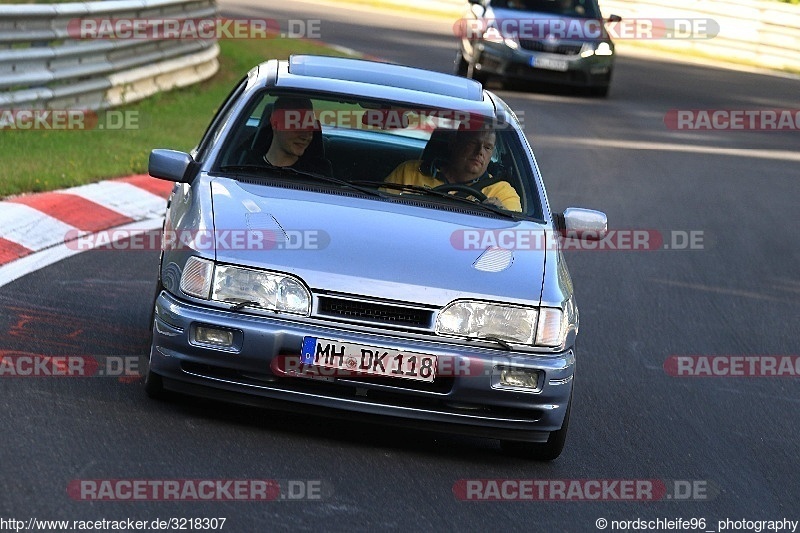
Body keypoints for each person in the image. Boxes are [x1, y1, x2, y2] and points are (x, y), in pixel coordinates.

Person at [384, 126, 522, 212]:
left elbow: (512, 235)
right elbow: (381, 210)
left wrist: (500, 213)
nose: (480, 151)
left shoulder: (502, 192)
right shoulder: (409, 171)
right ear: (454, 143)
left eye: (487, 147)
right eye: (473, 143)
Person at [260, 96, 333, 176]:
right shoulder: (246, 165)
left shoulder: (319, 176)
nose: (305, 137)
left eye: (310, 127)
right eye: (297, 126)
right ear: (275, 124)